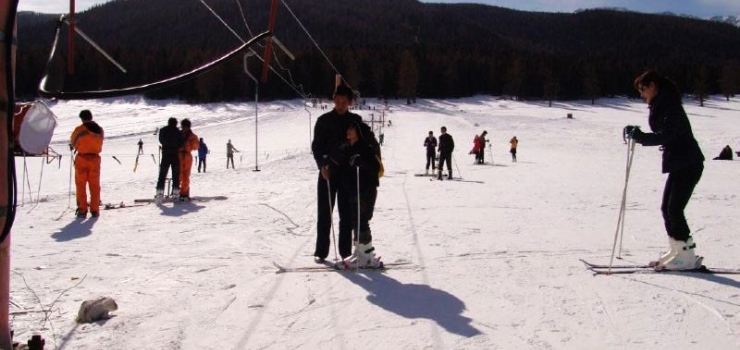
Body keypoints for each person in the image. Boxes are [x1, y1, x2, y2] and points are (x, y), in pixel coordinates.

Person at [625, 70, 705, 270]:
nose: (641, 95)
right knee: (667, 208)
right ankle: (678, 249)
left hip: (688, 162)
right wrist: (640, 134)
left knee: (674, 209)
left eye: (642, 89)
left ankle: (686, 256)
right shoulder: (661, 103)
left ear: (652, 86)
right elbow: (663, 133)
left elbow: (668, 134)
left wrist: (642, 137)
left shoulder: (669, 104)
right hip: (680, 162)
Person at [311, 85, 376, 263]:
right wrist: (321, 165)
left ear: (350, 102)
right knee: (324, 213)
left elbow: (365, 141)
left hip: (347, 174)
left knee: (346, 215)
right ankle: (321, 251)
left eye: (344, 102)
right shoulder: (323, 120)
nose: (340, 105)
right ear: (333, 100)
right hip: (327, 173)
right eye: (337, 101)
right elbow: (316, 146)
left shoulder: (355, 120)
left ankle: (345, 252)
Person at [332, 121, 382, 268]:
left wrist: (362, 163)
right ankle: (359, 252)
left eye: (352, 129)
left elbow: (375, 167)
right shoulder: (347, 148)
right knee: (356, 221)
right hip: (353, 190)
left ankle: (367, 255)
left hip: (366, 190)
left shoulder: (365, 148)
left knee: (362, 220)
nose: (348, 131)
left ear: (358, 132)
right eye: (348, 128)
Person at [70, 110, 104, 218]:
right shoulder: (100, 130)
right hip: (95, 159)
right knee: (94, 185)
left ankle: (82, 209)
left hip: (82, 159)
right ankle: (95, 210)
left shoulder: (79, 130)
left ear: (82, 118)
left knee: (81, 185)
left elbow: (73, 143)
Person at [156, 117, 184, 202]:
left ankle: (159, 193)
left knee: (162, 175)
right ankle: (175, 193)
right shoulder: (178, 132)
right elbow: (181, 143)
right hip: (175, 155)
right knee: (175, 175)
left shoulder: (163, 130)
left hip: (166, 155)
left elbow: (161, 140)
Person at [178, 119, 199, 201]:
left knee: (184, 175)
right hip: (183, 155)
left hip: (185, 155)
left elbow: (196, 147)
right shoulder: (192, 136)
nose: (184, 128)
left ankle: (183, 192)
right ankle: (180, 191)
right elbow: (196, 147)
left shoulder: (179, 134)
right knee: (180, 175)